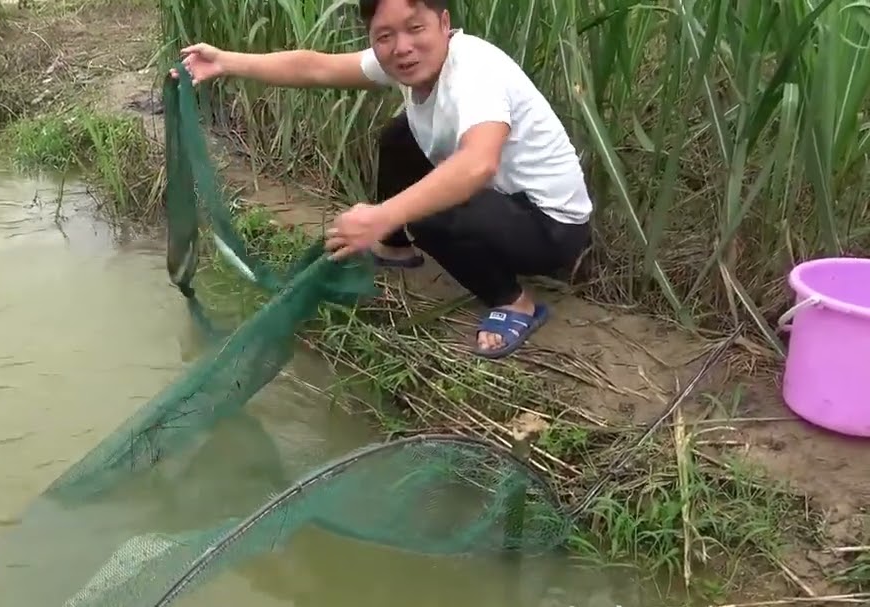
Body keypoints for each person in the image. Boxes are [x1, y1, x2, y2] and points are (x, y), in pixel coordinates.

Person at [173, 0, 593, 359]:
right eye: (385, 36)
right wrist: (226, 61)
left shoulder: (474, 73)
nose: (402, 48)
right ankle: (395, 249)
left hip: (551, 228)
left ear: (444, 24)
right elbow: (315, 68)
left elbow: (477, 165)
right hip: (506, 203)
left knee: (430, 214)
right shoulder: (406, 59)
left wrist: (380, 214)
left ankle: (515, 303)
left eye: (415, 28)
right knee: (398, 137)